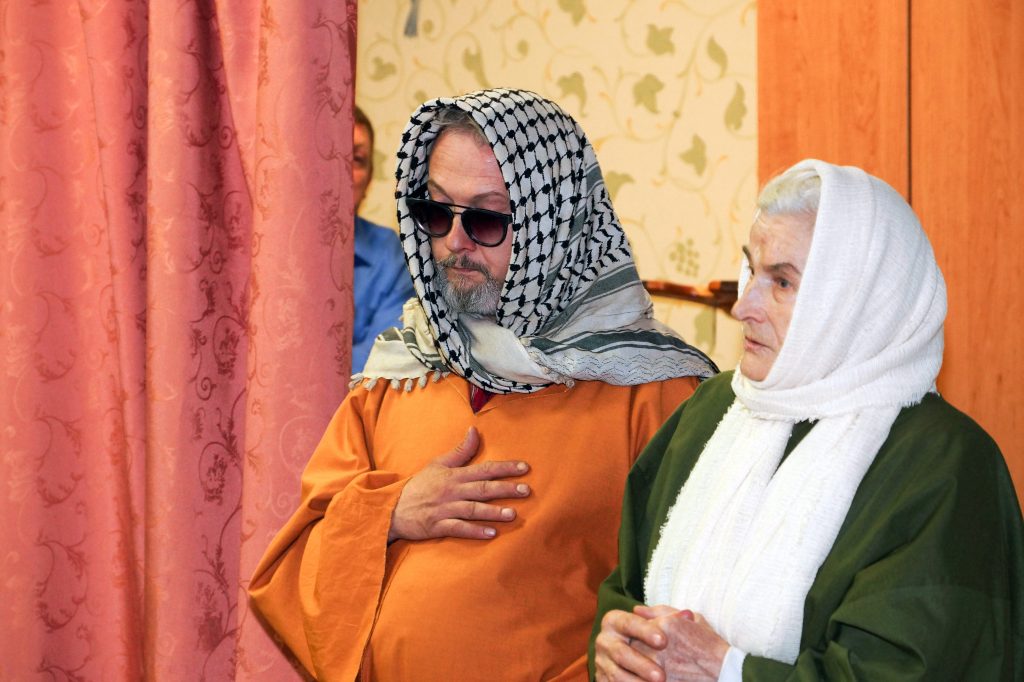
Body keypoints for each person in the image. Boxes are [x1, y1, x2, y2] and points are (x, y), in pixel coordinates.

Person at [249, 88, 718, 681]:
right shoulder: (399, 372)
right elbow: (296, 566)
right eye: (436, 212)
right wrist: (390, 512)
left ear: (557, 226)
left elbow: (696, 608)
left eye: (487, 218)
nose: (454, 242)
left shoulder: (657, 394)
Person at [591, 159, 1024, 681]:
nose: (743, 307)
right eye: (751, 270)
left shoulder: (947, 467)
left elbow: (908, 669)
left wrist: (728, 671)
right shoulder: (709, 412)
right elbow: (627, 585)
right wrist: (615, 645)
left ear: (857, 300)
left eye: (782, 282)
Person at [351, 105, 416, 372]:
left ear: (368, 181)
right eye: (330, 154)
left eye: (357, 159)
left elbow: (381, 361)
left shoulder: (388, 253)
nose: (341, 169)